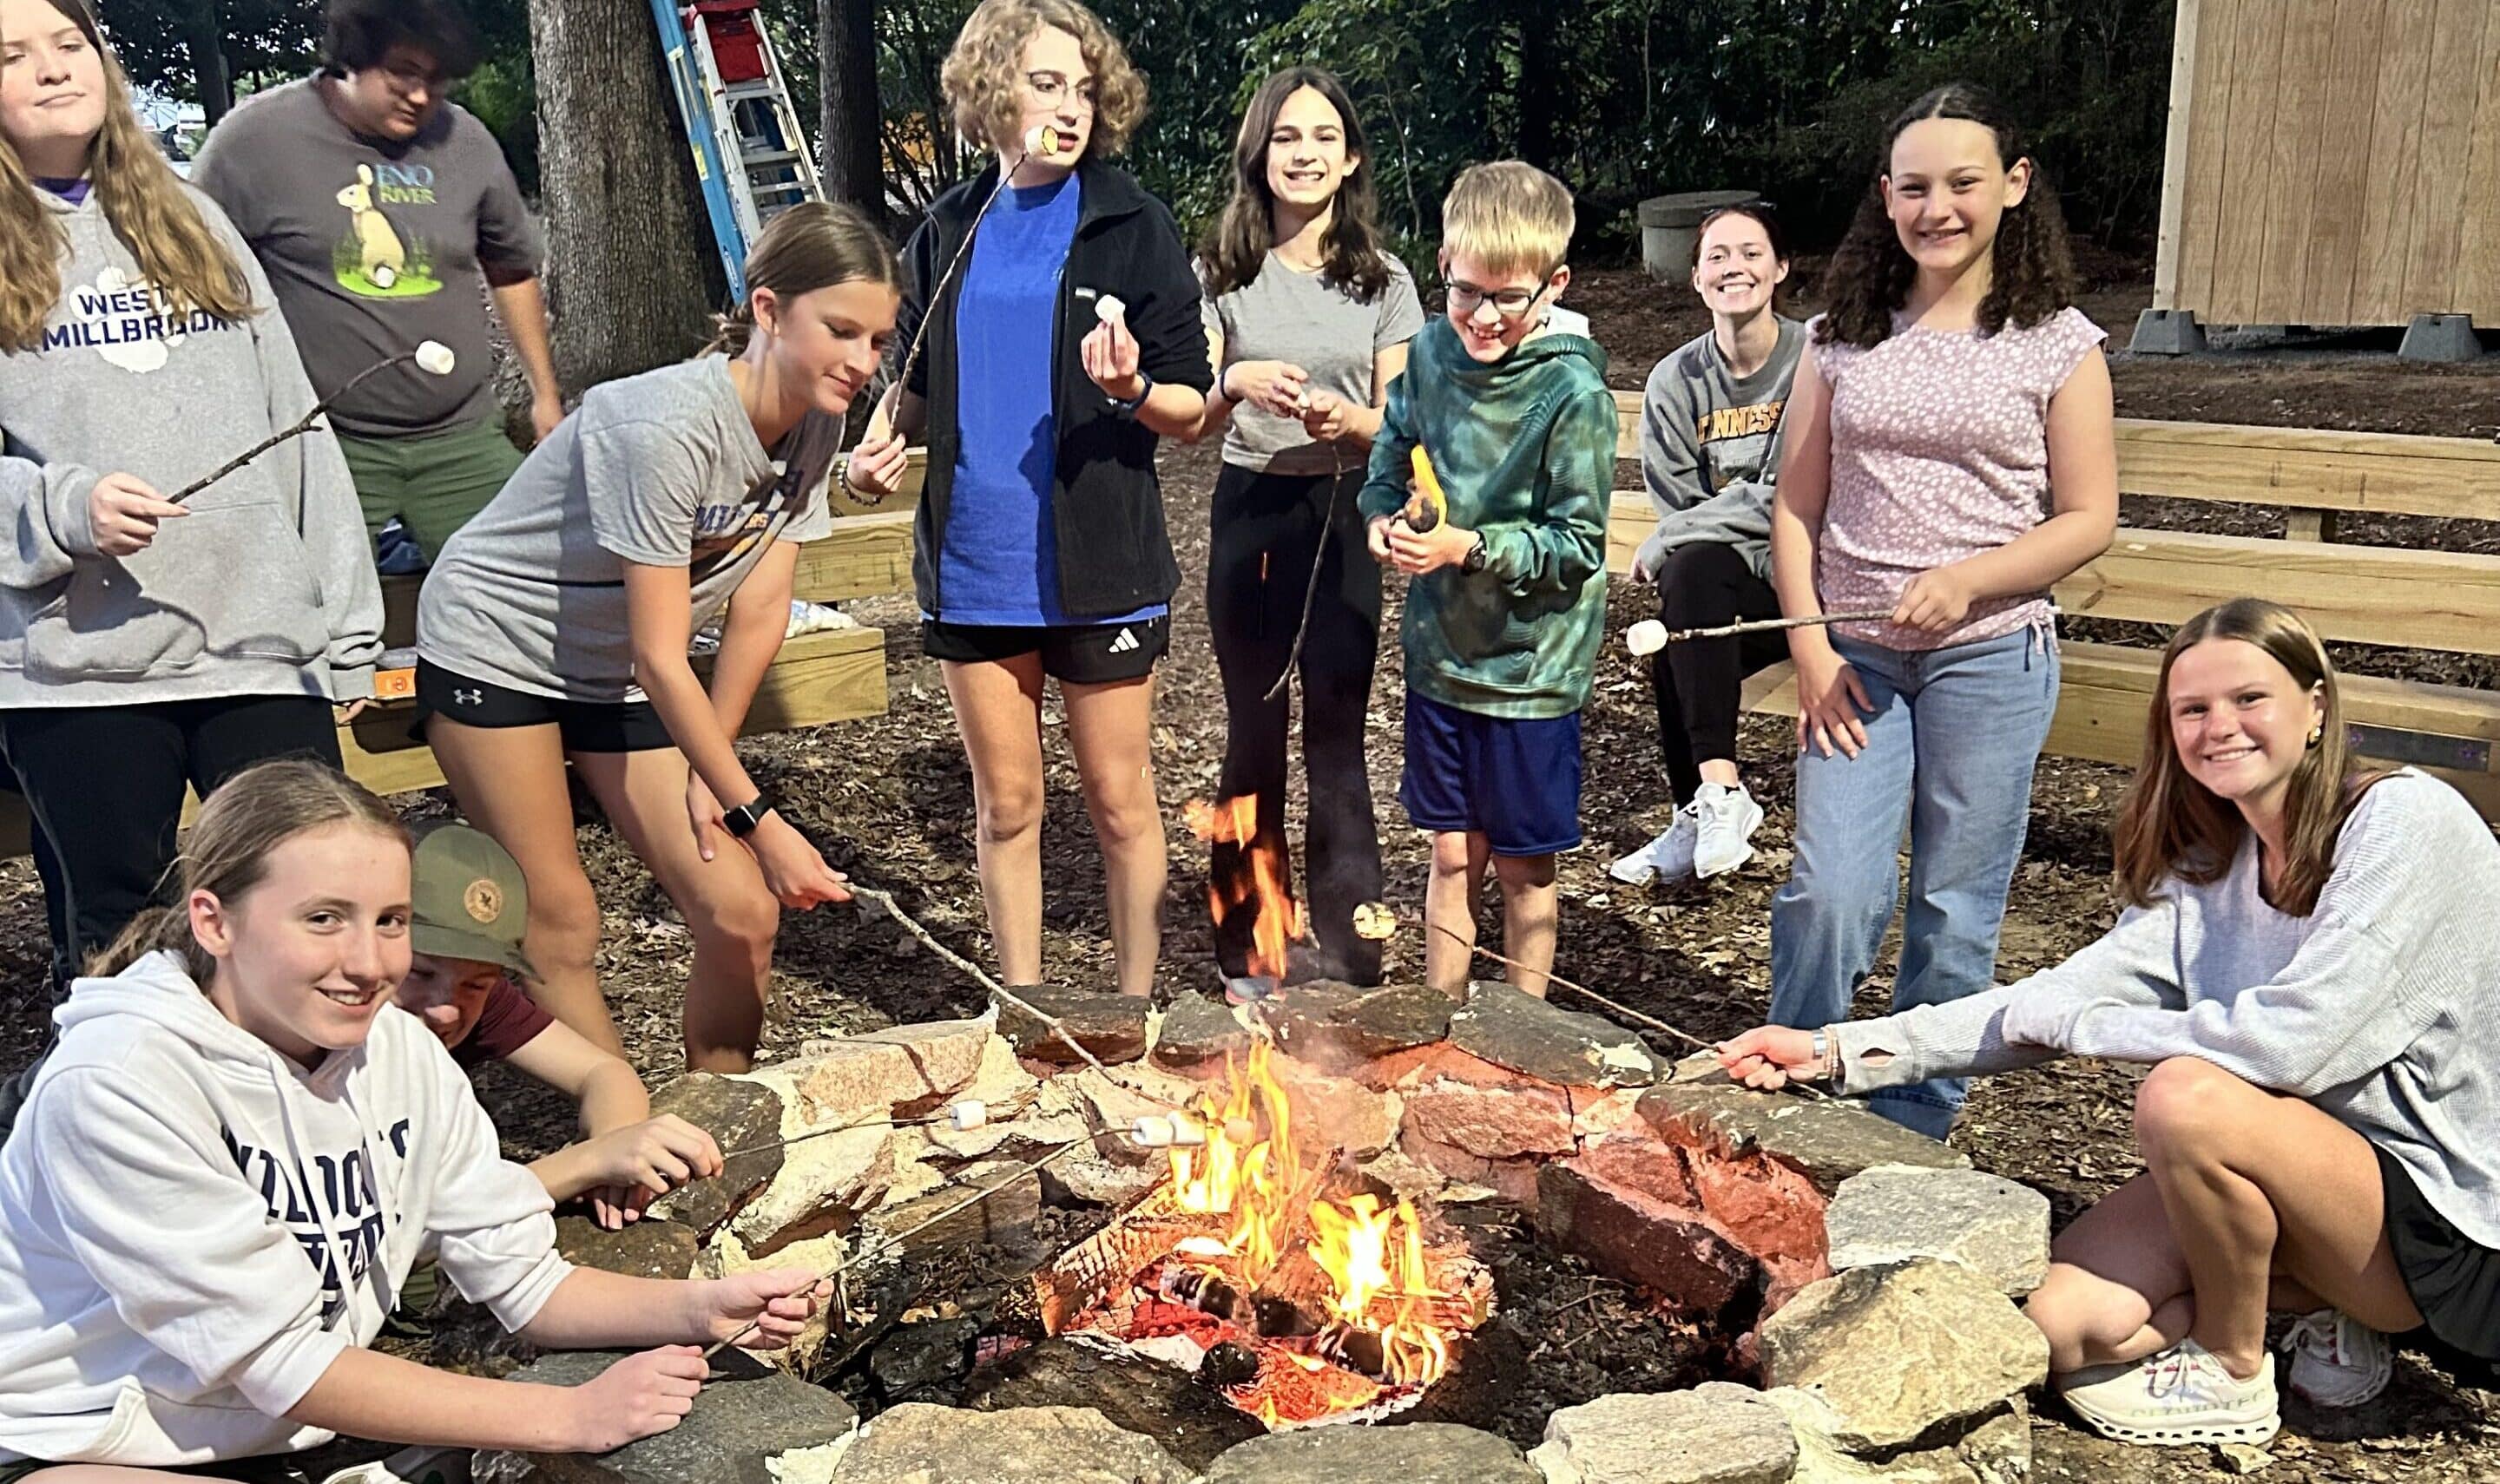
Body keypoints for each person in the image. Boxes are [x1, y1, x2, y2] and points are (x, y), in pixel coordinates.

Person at [1720, 599, 2500, 1448]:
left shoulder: (2405, 821)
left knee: (2187, 1100)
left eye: (2250, 700)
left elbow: (2295, 1045)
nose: (2220, 727)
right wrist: (1833, 1053)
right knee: (2063, 1328)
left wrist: (2090, 1028)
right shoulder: (2209, 877)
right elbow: (2039, 1005)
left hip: (2451, 1223)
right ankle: (2327, 1307)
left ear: (2316, 708)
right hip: (2302, 1182)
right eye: (2192, 710)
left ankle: (2233, 1367)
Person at [0, 760, 821, 1481]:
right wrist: (569, 1415)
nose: (369, 964)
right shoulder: (121, 1083)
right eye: (323, 919)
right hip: (77, 1445)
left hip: (276, 1432)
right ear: (215, 921)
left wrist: (703, 1306)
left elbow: (527, 1282)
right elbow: (275, 1360)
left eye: (390, 921)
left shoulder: (398, 1050)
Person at [0, 0, 382, 1130]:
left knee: (314, 905)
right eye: (13, 54)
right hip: (81, 672)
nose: (52, 67)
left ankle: (327, 1147)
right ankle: (149, 1166)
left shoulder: (194, 219)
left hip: (258, 640)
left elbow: (297, 425)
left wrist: (343, 618)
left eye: (69, 42)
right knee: (122, 939)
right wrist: (63, 508)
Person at [416, 201, 889, 1070]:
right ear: (770, 311)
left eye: (877, 341)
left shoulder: (819, 419)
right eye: (843, 331)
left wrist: (722, 777)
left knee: (742, 911)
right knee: (562, 916)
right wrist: (762, 817)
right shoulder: (662, 425)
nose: (862, 362)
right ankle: (624, 1138)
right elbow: (662, 657)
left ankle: (720, 1111)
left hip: (614, 673)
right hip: (500, 645)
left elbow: (759, 601)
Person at [1764, 82, 2118, 1138]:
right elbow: (1795, 507)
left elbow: (2090, 515)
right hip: (1855, 666)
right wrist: (1811, 647)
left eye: (1963, 183)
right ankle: (1793, 1089)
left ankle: (1914, 1122)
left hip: (1989, 660)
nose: (1938, 208)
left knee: (1955, 913)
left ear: (2013, 186)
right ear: (1886, 196)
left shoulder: (2059, 343)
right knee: (1833, 892)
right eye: (1914, 188)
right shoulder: (1840, 336)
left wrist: (1975, 577)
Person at [846, 0, 1212, 998]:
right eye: (1048, 83)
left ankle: (1138, 1011)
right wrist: (872, 452)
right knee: (1007, 806)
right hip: (974, 565)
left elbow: (1192, 407)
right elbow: (911, 388)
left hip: (1101, 562)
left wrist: (1133, 387)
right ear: (993, 93)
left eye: (1085, 87)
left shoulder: (1132, 223)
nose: (1072, 105)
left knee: (1121, 804)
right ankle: (1025, 1008)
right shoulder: (947, 229)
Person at [1189, 65, 1424, 986]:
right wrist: (1234, 382)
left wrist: (1350, 422)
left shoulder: (1384, 279)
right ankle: (1248, 942)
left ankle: (1353, 944)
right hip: (1252, 511)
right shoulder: (1222, 272)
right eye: (1288, 137)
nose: (1306, 154)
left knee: (1337, 729)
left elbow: (1401, 422)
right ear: (1260, 153)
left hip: (1343, 510)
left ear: (1351, 156)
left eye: (1324, 137)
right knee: (1253, 729)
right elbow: (1192, 409)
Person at [1356, 161, 1612, 999]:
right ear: (1441, 267)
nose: (1486, 317)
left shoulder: (1573, 391)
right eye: (1468, 292)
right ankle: (1440, 1026)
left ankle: (1519, 1042)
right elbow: (1388, 459)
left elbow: (1576, 546)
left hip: (1531, 672)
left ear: (1554, 284)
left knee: (1523, 870)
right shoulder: (1429, 354)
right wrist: (1382, 518)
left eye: (1510, 297)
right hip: (1442, 657)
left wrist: (1466, 546)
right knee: (1449, 851)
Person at [191, 0, 563, 567]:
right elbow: (193, 279)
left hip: (460, 435)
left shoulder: (465, 142)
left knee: (522, 588)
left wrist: (544, 394)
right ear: (351, 59)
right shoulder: (252, 142)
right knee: (317, 611)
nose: (420, 97)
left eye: (437, 81)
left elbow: (510, 268)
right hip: (322, 445)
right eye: (403, 75)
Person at [1609, 202, 1804, 887]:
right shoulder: (1674, 382)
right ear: (1695, 279)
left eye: (1751, 253)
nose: (1734, 268)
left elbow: (1796, 498)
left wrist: (1672, 536)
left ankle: (1698, 810)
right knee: (1683, 617)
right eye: (1717, 256)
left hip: (1813, 586)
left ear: (1780, 268)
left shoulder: (1812, 363)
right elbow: (1685, 510)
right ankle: (1714, 797)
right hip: (1726, 586)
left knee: (1683, 613)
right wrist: (1680, 534)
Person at [396, 822, 724, 1230]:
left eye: (477, 983)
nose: (446, 1009)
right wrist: (586, 1164)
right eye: (420, 972)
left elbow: (604, 1073)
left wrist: (617, 1144)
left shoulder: (473, 1002)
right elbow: (412, 1227)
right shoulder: (320, 1053)